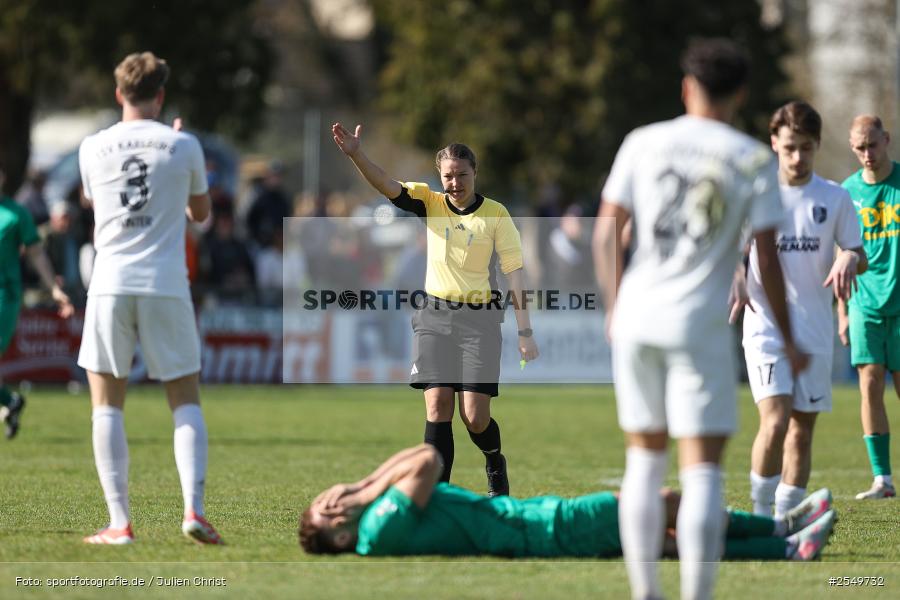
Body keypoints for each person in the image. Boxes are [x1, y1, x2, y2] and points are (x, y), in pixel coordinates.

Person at [592, 39, 808, 600]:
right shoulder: (752, 158)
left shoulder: (643, 141)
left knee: (643, 460)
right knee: (702, 472)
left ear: (687, 87)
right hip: (699, 327)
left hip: (638, 318)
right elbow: (766, 259)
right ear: (740, 94)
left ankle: (645, 592)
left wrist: (615, 309)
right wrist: (788, 338)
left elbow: (604, 233)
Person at [332, 123, 539, 497]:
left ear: (475, 173)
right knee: (437, 404)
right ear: (440, 176)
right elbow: (386, 184)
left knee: (475, 417)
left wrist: (525, 332)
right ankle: (436, 496)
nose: (455, 182)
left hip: (480, 320)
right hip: (434, 317)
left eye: (462, 175)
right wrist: (357, 154)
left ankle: (494, 460)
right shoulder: (430, 202)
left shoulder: (496, 214)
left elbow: (515, 275)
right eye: (448, 176)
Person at [76, 52, 222, 545]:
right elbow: (200, 215)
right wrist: (177, 166)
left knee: (106, 405)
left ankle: (119, 523)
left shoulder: (92, 147)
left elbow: (98, 202)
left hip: (110, 282)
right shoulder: (183, 145)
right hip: (165, 284)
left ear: (119, 94)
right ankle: (194, 510)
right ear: (160, 95)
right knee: (184, 399)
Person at [298, 444, 836, 560]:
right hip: (541, 531)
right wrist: (365, 490)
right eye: (330, 509)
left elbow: (421, 451)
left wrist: (360, 483)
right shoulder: (376, 532)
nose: (338, 498)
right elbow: (427, 464)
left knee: (662, 542)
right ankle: (780, 539)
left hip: (534, 525)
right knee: (662, 505)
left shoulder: (374, 522)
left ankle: (782, 539)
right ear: (339, 537)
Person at [736, 102, 866, 517]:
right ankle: (759, 517)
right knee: (774, 422)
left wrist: (849, 257)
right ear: (774, 143)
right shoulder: (754, 195)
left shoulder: (835, 197)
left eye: (806, 148)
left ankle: (785, 520)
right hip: (765, 327)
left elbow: (858, 252)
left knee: (801, 432)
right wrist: (736, 275)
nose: (797, 157)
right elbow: (727, 254)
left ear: (817, 146)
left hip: (814, 329)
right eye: (790, 147)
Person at [838, 115, 900, 499]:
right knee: (870, 383)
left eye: (872, 145)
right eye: (859, 147)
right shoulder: (846, 193)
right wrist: (842, 312)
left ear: (886, 140)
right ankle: (883, 480)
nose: (867, 154)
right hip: (864, 304)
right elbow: (840, 254)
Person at [0, 165, 74, 439]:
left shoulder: (16, 214)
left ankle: (8, 403)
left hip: (4, 295)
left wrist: (53, 288)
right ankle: (10, 402)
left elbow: (35, 254)